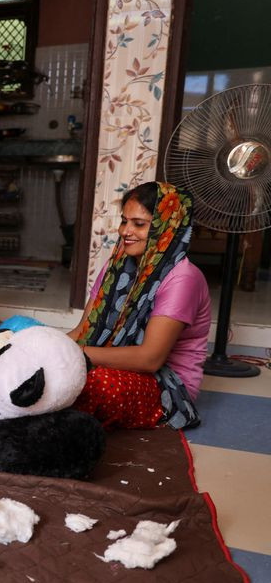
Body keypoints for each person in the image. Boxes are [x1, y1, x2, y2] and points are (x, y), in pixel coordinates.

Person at [68, 181, 211, 430]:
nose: (125, 231)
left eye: (139, 224)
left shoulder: (182, 278)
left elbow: (150, 359)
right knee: (25, 337)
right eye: (124, 221)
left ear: (167, 227)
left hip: (165, 385)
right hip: (106, 361)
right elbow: (83, 331)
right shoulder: (117, 266)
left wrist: (71, 356)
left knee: (90, 385)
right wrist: (44, 346)